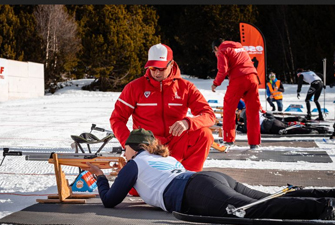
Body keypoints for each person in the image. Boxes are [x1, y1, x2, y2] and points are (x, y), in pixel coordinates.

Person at [85, 128, 335, 220]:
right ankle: (327, 196)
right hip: (208, 180)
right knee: (268, 198)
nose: (123, 151)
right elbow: (148, 184)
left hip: (196, 189)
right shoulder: (161, 157)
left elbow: (110, 200)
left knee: (254, 209)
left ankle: (324, 208)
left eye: (124, 148)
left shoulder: (135, 164)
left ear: (133, 147)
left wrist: (100, 175)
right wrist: (122, 172)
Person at [110, 43, 216, 172]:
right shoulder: (134, 87)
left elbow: (209, 115)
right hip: (147, 146)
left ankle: (188, 178)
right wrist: (129, 142)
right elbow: (117, 119)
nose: (156, 72)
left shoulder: (186, 87)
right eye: (153, 68)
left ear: (171, 64)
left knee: (204, 134)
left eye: (161, 68)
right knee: (134, 190)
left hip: (176, 143)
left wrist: (188, 123)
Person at [211, 38, 261, 150]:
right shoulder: (240, 47)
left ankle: (228, 139)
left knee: (229, 109)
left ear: (216, 48)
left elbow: (223, 70)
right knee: (253, 111)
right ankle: (254, 143)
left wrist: (215, 83)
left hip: (238, 79)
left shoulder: (222, 50)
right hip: (253, 77)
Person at [237, 109, 317, 135]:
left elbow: (246, 129)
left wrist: (239, 128)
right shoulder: (255, 110)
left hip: (269, 126)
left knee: (289, 130)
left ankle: (310, 130)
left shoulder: (247, 116)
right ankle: (308, 127)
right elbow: (267, 114)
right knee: (287, 125)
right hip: (272, 121)